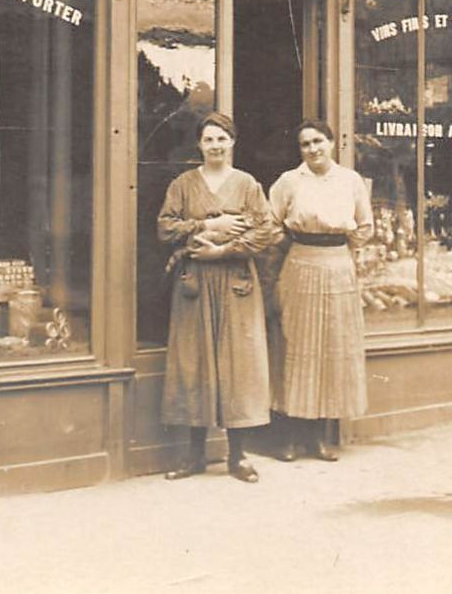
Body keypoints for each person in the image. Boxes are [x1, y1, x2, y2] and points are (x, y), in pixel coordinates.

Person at [156, 111, 278, 483]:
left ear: (232, 143)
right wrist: (208, 225)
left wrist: (223, 250)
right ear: (199, 144)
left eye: (222, 139)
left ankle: (237, 456)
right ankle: (193, 455)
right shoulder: (183, 184)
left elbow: (266, 232)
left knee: (237, 364)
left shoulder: (247, 185)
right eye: (208, 139)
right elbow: (165, 227)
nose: (215, 146)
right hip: (194, 282)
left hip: (236, 282)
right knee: (194, 362)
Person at [268, 118, 372, 461]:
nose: (312, 149)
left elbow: (365, 226)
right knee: (296, 346)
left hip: (338, 266)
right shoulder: (289, 181)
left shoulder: (350, 180)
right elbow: (270, 224)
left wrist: (343, 247)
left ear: (331, 143)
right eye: (305, 144)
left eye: (318, 142)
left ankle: (318, 438)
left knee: (331, 347)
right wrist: (295, 246)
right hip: (300, 262)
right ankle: (287, 437)